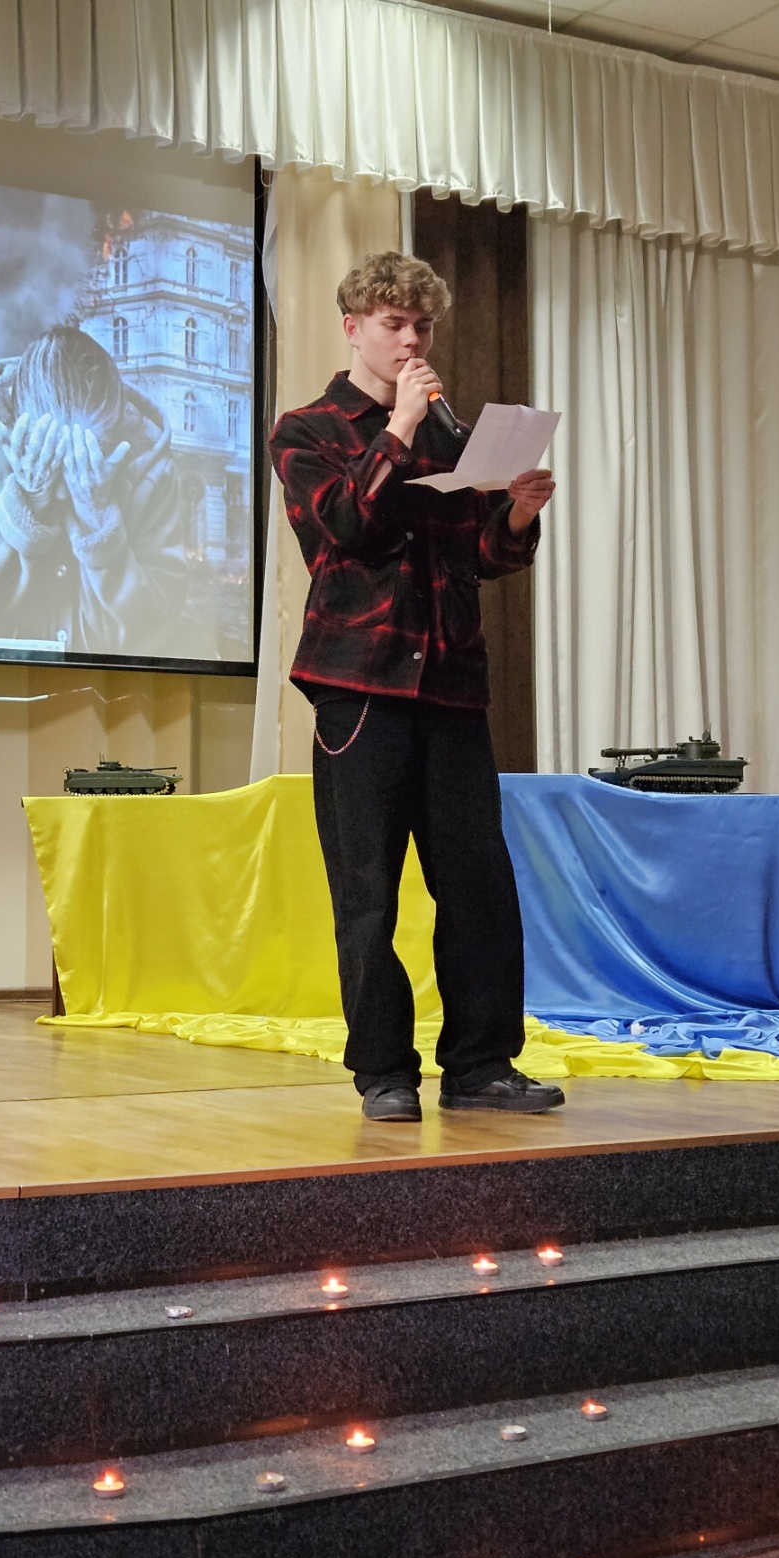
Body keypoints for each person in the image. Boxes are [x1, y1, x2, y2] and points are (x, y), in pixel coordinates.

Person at [269, 250, 563, 1123]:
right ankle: (383, 1072)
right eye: (394, 324)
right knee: (367, 891)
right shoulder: (307, 429)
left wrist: (516, 514)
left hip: (450, 685)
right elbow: (344, 528)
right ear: (353, 327)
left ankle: (481, 1065)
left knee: (478, 884)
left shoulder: (452, 432)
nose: (411, 341)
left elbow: (478, 555)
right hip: (357, 686)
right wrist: (396, 428)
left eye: (422, 326)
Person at [0, 324, 186, 655]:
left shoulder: (150, 461)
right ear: (15, 424)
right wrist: (22, 505)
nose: (63, 493)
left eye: (82, 459)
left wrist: (99, 524)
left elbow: (155, 624)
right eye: (49, 456)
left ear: (115, 436)